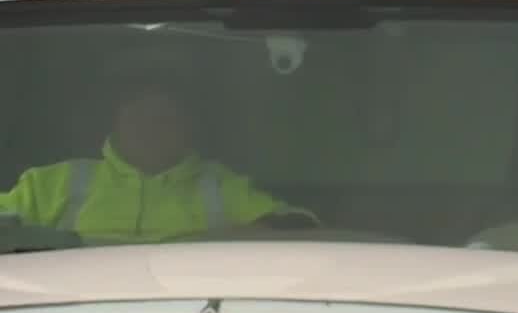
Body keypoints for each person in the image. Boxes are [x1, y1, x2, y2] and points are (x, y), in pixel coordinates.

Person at [0, 53, 315, 243]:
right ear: (115, 122)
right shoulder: (51, 183)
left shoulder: (219, 187)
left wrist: (251, 234)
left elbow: (302, 228)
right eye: (139, 117)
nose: (151, 129)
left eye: (165, 119)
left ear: (189, 126)